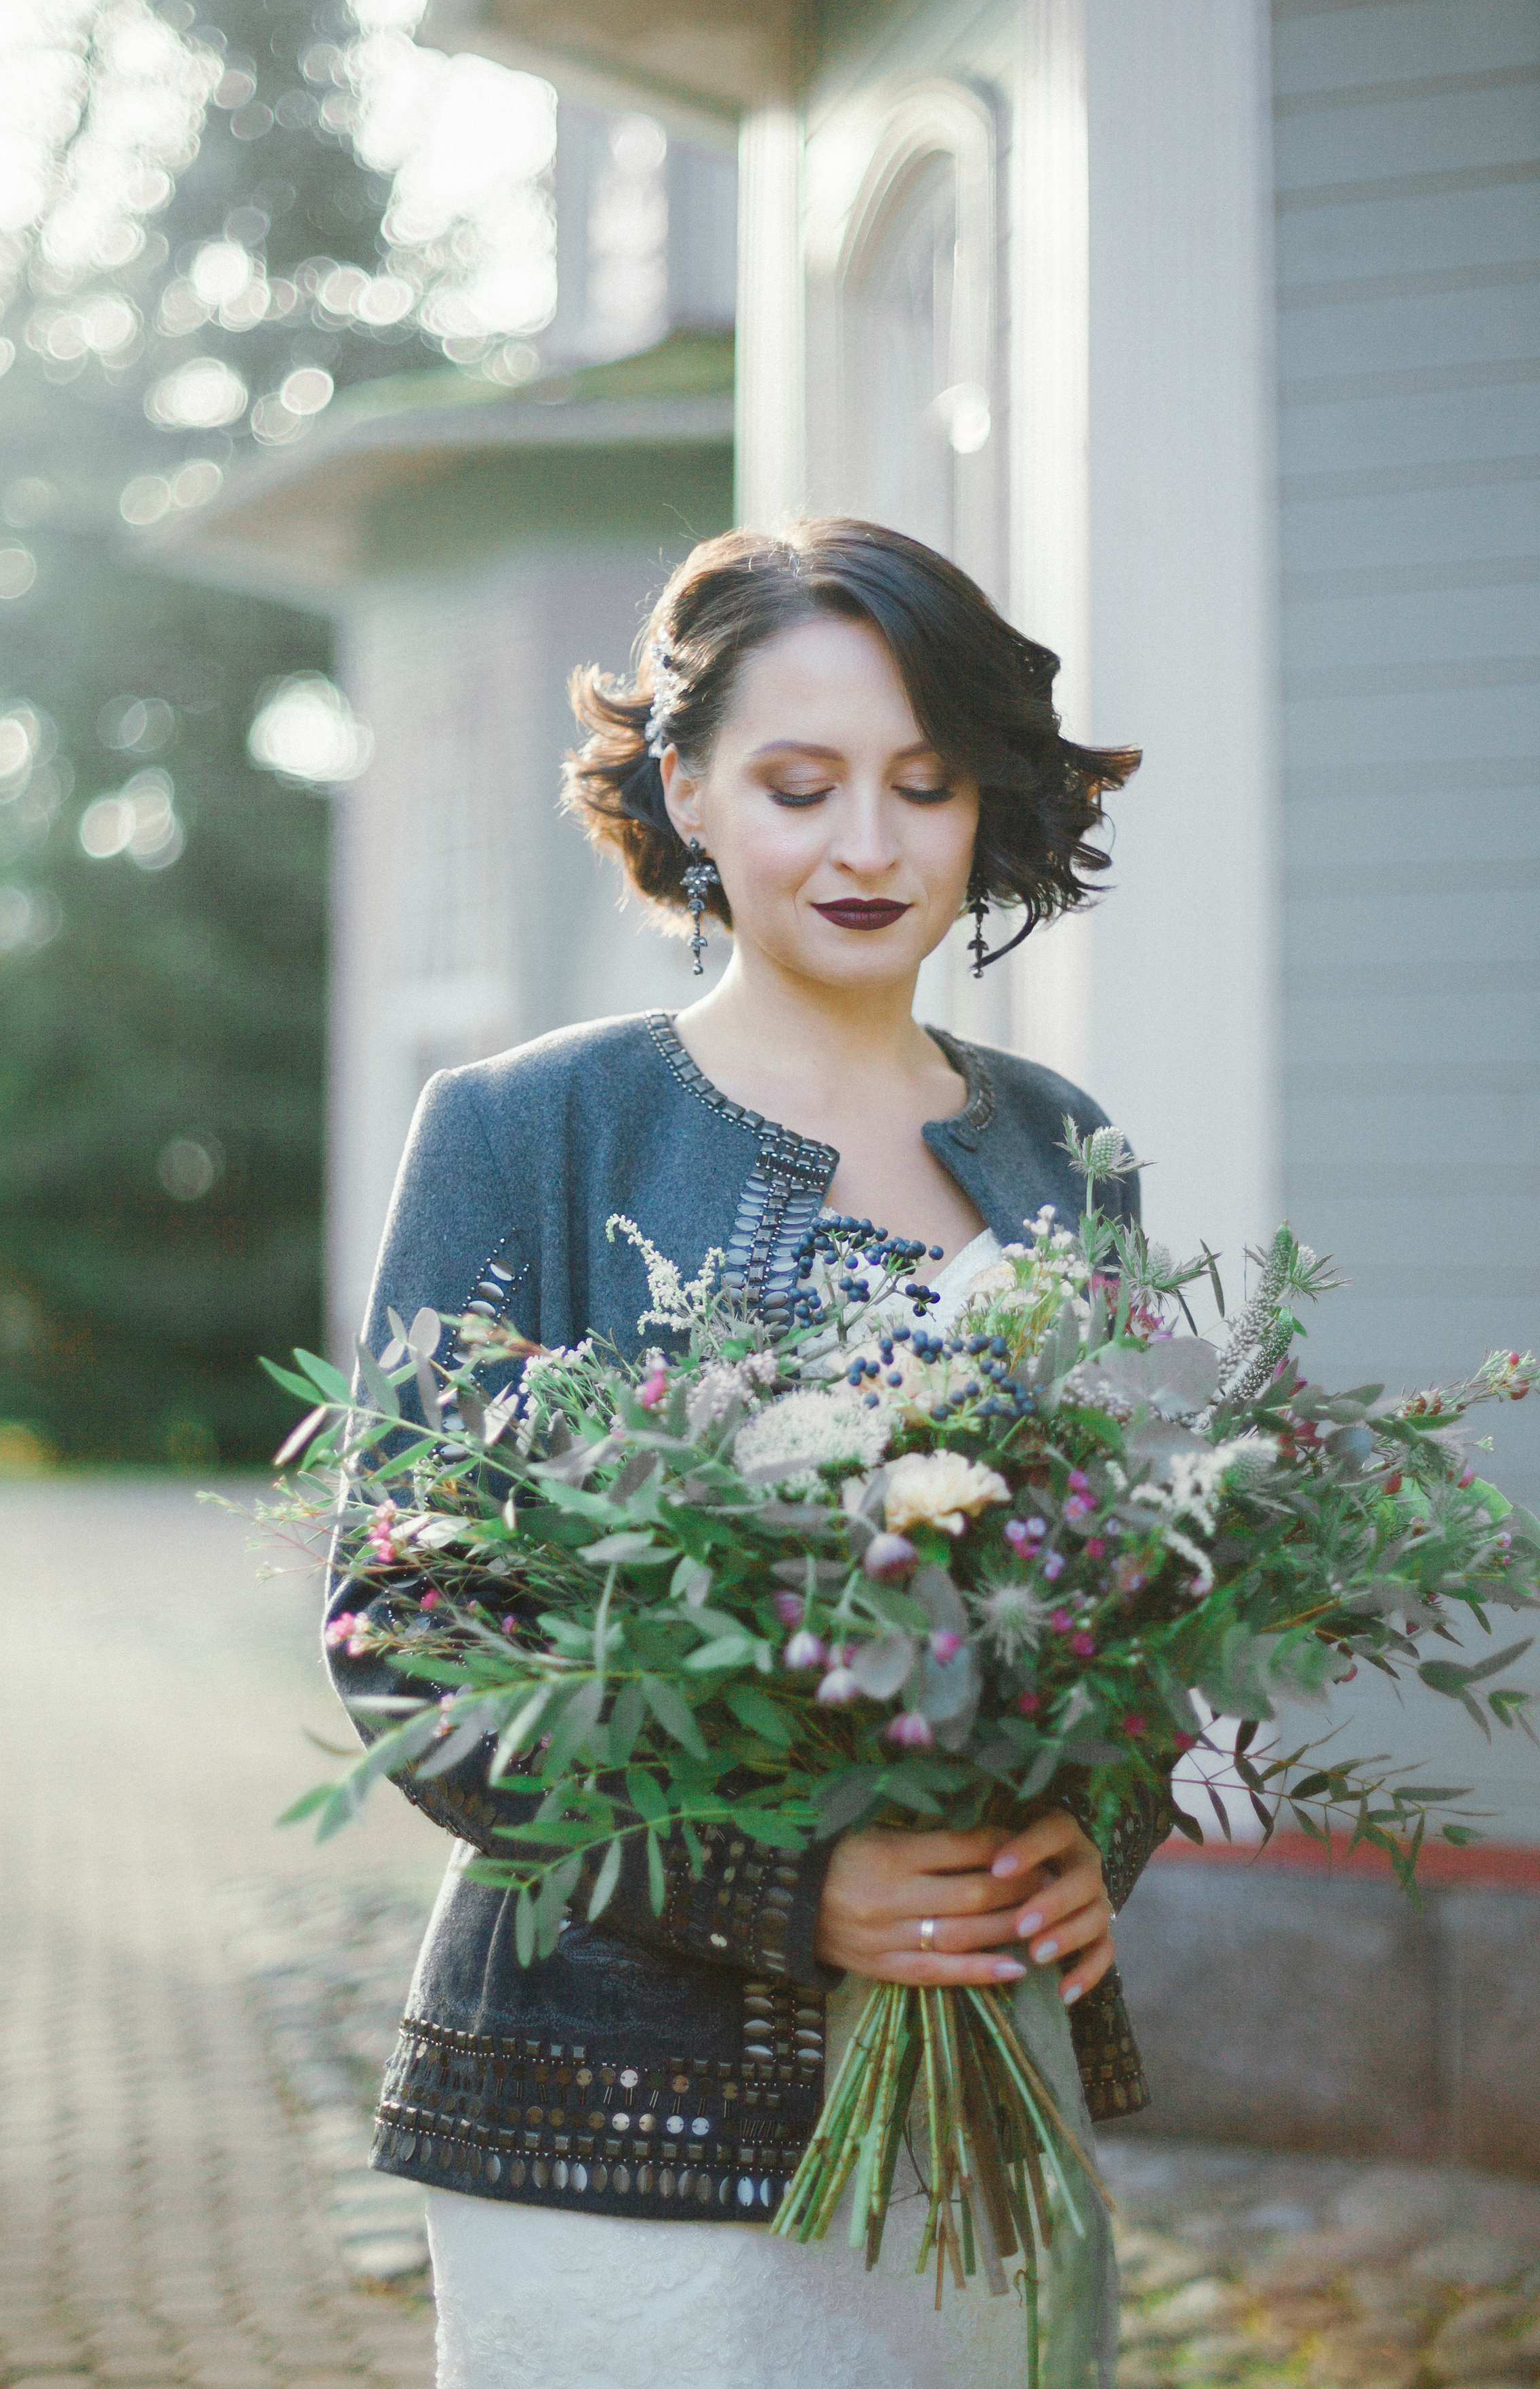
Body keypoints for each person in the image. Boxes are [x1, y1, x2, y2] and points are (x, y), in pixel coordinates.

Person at [325, 518, 1170, 2388]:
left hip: (988, 2099)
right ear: (687, 790)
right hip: (611, 2118)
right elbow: (409, 1633)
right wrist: (783, 1892)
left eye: (924, 785)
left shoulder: (1064, 1150)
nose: (868, 845)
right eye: (801, 787)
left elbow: (1143, 1595)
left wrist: (1092, 1831)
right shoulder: (528, 1129)